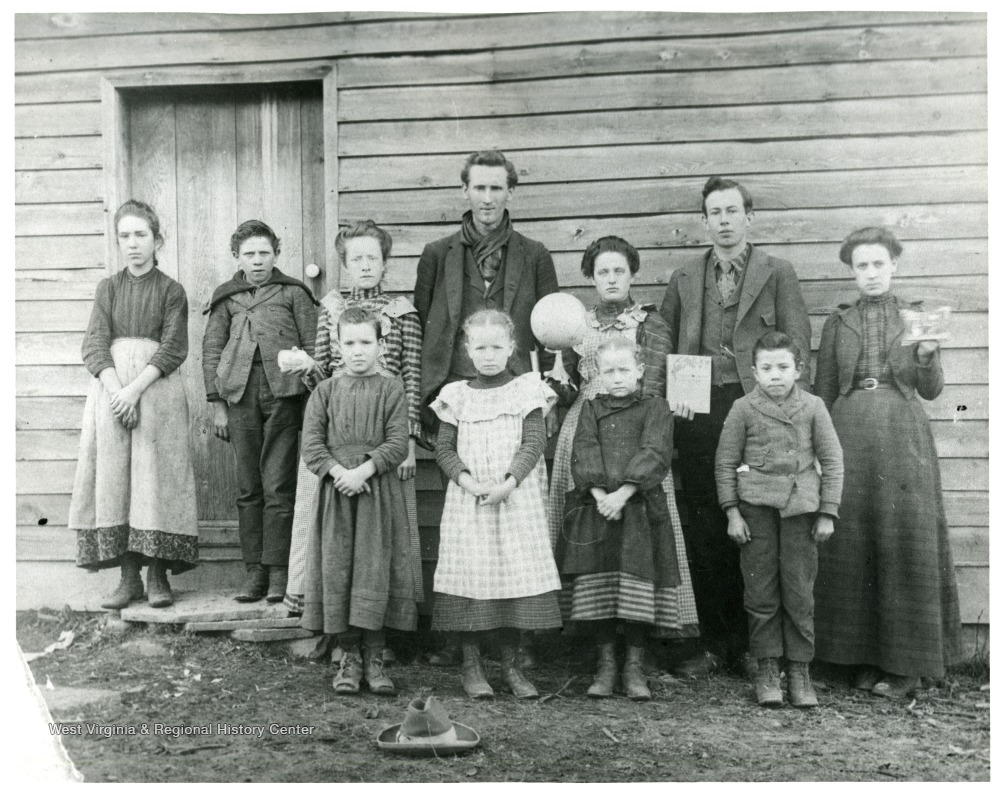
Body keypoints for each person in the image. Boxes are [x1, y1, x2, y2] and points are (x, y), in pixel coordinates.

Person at [660, 176, 811, 678]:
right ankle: (713, 640)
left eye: (732, 211)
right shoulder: (685, 275)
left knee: (755, 524)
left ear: (749, 217)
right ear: (703, 222)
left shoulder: (777, 272)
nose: (723, 221)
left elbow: (797, 349)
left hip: (755, 410)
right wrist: (674, 396)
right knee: (705, 520)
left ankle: (756, 646)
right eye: (714, 213)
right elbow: (663, 346)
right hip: (699, 413)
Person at [414, 148, 559, 667]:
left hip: (513, 401)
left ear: (511, 193)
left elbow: (547, 334)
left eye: (498, 188)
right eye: (479, 187)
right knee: (463, 524)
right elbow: (428, 325)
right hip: (458, 401)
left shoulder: (535, 254)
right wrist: (430, 400)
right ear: (465, 191)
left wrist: (542, 392)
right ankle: (460, 638)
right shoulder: (437, 253)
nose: (488, 198)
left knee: (513, 520)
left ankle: (513, 643)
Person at [813, 226, 961, 699]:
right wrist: (819, 448)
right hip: (850, 428)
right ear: (852, 271)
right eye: (862, 266)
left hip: (901, 434)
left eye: (879, 264)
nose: (871, 274)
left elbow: (932, 389)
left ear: (894, 264)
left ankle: (905, 666)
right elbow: (824, 390)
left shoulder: (915, 319)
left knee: (902, 542)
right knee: (850, 539)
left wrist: (926, 356)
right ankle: (851, 657)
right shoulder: (839, 322)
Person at [548, 236, 699, 649]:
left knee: (638, 521)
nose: (611, 279)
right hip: (586, 429)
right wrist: (557, 385)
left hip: (638, 429)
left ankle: (640, 634)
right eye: (602, 272)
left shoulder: (650, 322)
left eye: (619, 271)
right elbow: (573, 387)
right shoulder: (578, 324)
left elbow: (653, 382)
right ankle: (581, 627)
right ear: (591, 279)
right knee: (585, 518)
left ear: (632, 274)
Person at [283, 220, 424, 616]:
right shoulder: (330, 308)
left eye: (372, 258)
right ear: (345, 263)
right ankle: (320, 604)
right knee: (328, 524)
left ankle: (383, 613)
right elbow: (324, 373)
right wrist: (307, 366)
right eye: (356, 258)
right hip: (335, 430)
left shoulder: (403, 313)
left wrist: (409, 446)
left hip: (386, 429)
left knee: (383, 529)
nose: (365, 265)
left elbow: (412, 378)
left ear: (385, 263)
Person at [70, 200, 198, 608]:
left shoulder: (171, 291)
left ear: (157, 240)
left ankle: (158, 575)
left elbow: (175, 347)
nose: (132, 244)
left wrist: (135, 389)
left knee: (156, 479)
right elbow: (93, 345)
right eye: (124, 236)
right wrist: (115, 390)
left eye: (140, 235)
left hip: (155, 393)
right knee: (118, 480)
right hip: (110, 396)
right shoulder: (107, 289)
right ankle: (129, 579)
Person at [430, 309, 561, 699]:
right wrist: (468, 481)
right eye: (480, 347)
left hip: (514, 500)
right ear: (468, 350)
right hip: (469, 503)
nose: (489, 355)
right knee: (472, 577)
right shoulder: (455, 395)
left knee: (513, 578)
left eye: (497, 347)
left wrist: (509, 482)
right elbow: (443, 448)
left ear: (511, 348)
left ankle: (511, 666)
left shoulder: (526, 388)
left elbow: (534, 441)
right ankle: (472, 667)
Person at [715, 332, 844, 708]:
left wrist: (827, 511)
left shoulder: (814, 406)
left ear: (799, 370)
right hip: (755, 511)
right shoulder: (743, 408)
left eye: (783, 367)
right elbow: (724, 463)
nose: (775, 376)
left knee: (800, 593)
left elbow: (833, 461)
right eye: (767, 368)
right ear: (754, 372)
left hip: (801, 512)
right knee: (760, 593)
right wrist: (732, 512)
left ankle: (800, 672)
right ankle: (767, 670)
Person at [299, 307, 417, 696]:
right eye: (349, 343)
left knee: (375, 567)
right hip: (337, 495)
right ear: (337, 345)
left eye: (366, 342)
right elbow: (312, 445)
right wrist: (338, 473)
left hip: (377, 494)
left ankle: (376, 657)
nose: (358, 351)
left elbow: (398, 442)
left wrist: (363, 471)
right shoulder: (325, 391)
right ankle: (348, 658)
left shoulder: (392, 388)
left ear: (381, 345)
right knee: (339, 567)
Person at [558, 337, 682, 701]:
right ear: (598, 373)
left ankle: (634, 666)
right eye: (608, 371)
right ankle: (606, 663)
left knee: (635, 586)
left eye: (624, 369)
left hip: (639, 509)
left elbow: (655, 452)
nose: (616, 378)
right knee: (601, 585)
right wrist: (600, 495)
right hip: (597, 510)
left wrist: (624, 493)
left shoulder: (656, 407)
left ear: (640, 371)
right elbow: (584, 449)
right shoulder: (592, 409)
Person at [203, 220, 319, 603]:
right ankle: (254, 571)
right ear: (237, 257)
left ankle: (278, 573)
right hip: (239, 398)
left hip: (283, 397)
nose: (257, 261)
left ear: (276, 255)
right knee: (248, 488)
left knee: (278, 485)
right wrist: (218, 405)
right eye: (249, 254)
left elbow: (314, 345)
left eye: (264, 253)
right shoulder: (227, 298)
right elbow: (211, 351)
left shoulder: (293, 293)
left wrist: (305, 382)